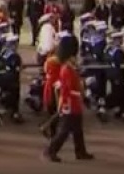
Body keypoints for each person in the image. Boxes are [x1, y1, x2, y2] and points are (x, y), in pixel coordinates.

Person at [43, 32, 94, 162]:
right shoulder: (66, 69)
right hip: (69, 103)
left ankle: (80, 151)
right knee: (64, 131)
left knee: (77, 130)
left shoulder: (70, 67)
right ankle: (50, 151)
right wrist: (62, 104)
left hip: (75, 101)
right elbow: (65, 90)